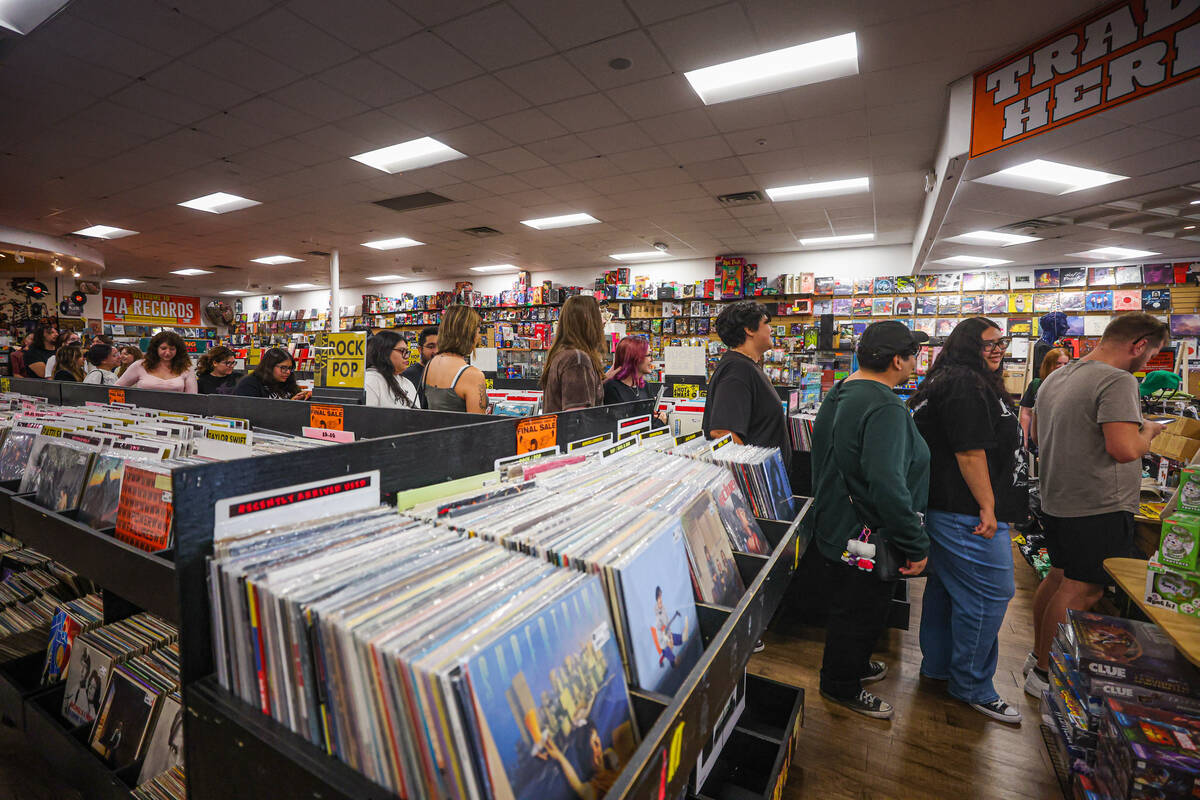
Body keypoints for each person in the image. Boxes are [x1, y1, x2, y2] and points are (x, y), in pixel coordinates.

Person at [1026, 312, 1168, 697]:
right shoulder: (1118, 380)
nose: (1149, 360)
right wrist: (1149, 431)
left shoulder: (1058, 375)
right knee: (1083, 590)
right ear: (1139, 345)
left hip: (1059, 497)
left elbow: (1037, 433)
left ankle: (1037, 656)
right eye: (1152, 352)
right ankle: (1043, 672)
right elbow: (1123, 449)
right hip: (1098, 503)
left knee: (1058, 578)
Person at [806, 320, 930, 720]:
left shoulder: (841, 391)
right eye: (913, 355)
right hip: (865, 533)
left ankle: (853, 664)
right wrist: (915, 543)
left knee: (852, 605)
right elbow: (887, 484)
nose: (916, 362)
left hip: (836, 526)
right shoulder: (885, 406)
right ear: (897, 360)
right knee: (859, 609)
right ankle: (840, 683)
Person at [909, 317, 1026, 724]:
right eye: (988, 345)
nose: (997, 351)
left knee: (948, 590)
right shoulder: (964, 383)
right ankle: (973, 685)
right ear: (965, 347)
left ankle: (940, 668)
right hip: (966, 513)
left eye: (1001, 343)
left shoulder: (951, 380)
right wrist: (989, 507)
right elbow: (969, 451)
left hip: (953, 510)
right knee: (989, 595)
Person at [703, 301, 790, 468]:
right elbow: (723, 432)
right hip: (754, 488)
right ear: (749, 330)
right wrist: (753, 480)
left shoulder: (745, 366)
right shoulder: (737, 369)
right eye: (766, 323)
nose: (771, 329)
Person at [542, 295, 605, 413]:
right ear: (587, 321)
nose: (603, 321)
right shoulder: (577, 359)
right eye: (598, 316)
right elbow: (576, 419)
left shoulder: (563, 354)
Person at [421, 305, 488, 413]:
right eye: (478, 332)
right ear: (468, 334)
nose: (479, 337)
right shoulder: (473, 375)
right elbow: (478, 425)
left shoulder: (431, 364)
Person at [116, 331, 197, 392]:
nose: (168, 352)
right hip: (143, 412)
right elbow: (116, 388)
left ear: (178, 350)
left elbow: (193, 397)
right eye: (163, 348)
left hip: (176, 413)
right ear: (155, 349)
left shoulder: (186, 369)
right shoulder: (140, 365)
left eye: (172, 349)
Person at [1019, 348, 1069, 444]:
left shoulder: (1073, 385)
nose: (1063, 367)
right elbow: (1026, 413)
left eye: (1066, 364)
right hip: (1040, 439)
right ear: (1048, 365)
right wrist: (1023, 439)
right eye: (1058, 363)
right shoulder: (1036, 385)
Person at [364, 330, 418, 408]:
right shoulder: (370, 380)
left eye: (407, 352)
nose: (406, 356)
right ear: (384, 352)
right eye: (402, 351)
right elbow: (364, 417)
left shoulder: (407, 382)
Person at [234, 347, 311, 399]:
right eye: (283, 368)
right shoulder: (250, 384)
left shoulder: (288, 382)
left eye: (290, 368)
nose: (288, 372)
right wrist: (289, 405)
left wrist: (305, 397)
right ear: (269, 366)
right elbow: (253, 413)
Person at [401, 325, 438, 408]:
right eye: (431, 347)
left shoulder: (446, 373)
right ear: (420, 349)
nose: (436, 351)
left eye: (440, 346)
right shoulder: (408, 375)